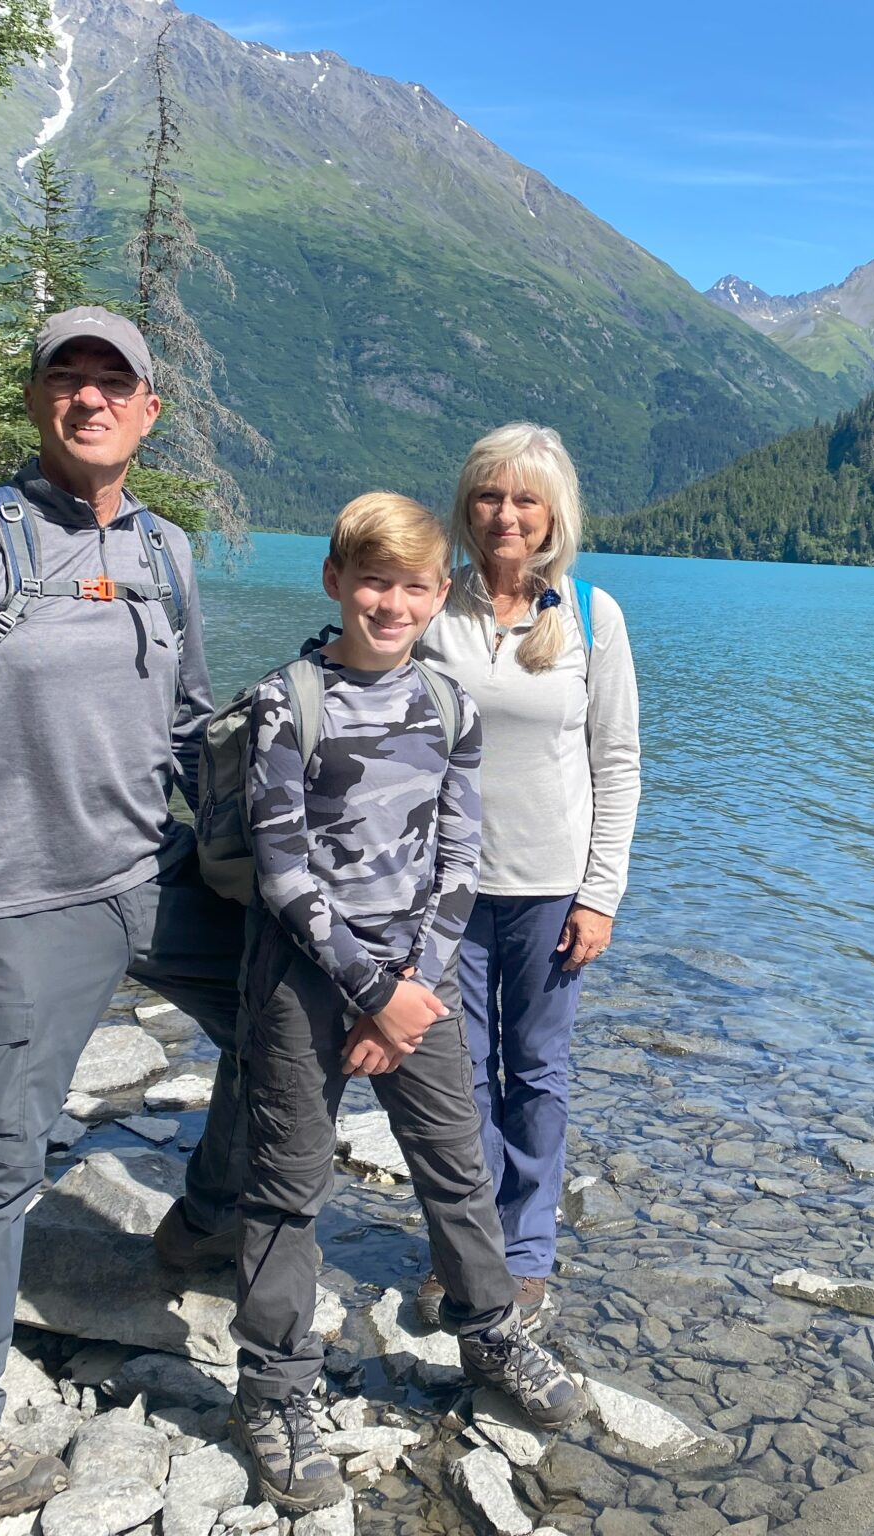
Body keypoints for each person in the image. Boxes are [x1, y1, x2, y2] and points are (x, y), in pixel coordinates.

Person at [0, 307, 247, 1520]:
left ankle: (203, 1226)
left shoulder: (164, 551)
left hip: (158, 875)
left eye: (111, 382)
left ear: (148, 410)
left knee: (293, 1026)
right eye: (65, 379)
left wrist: (265, 850)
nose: (88, 399)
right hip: (18, 904)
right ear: (37, 402)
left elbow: (188, 726)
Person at [228, 492, 585, 1514]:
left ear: (438, 598)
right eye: (372, 581)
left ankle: (487, 1335)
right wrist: (372, 992)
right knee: (288, 1184)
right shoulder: (284, 702)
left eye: (413, 587)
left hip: (414, 988)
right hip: (305, 982)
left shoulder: (447, 707)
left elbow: (458, 857)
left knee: (455, 1166)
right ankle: (275, 1391)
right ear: (336, 581)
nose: (389, 603)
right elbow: (283, 867)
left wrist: (418, 986)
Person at [415, 423, 640, 1330]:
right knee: (457, 1078)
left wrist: (601, 895)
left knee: (537, 1073)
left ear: (553, 514)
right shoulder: (434, 606)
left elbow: (617, 762)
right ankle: (466, 1249)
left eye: (524, 499)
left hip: (550, 888)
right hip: (444, 889)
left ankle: (529, 1250)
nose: (505, 515)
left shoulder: (591, 614)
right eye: (488, 496)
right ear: (467, 507)